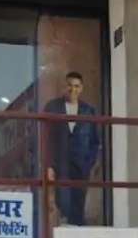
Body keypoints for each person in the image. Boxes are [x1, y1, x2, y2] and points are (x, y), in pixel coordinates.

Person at [43, 71, 100, 226]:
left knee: (78, 206)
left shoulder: (88, 111)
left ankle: (76, 236)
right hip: (60, 165)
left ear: (81, 88)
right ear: (64, 86)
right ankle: (65, 233)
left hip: (81, 168)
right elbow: (45, 138)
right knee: (63, 203)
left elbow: (95, 141)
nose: (72, 89)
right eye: (69, 85)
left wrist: (89, 163)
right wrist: (48, 165)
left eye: (76, 86)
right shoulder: (52, 107)